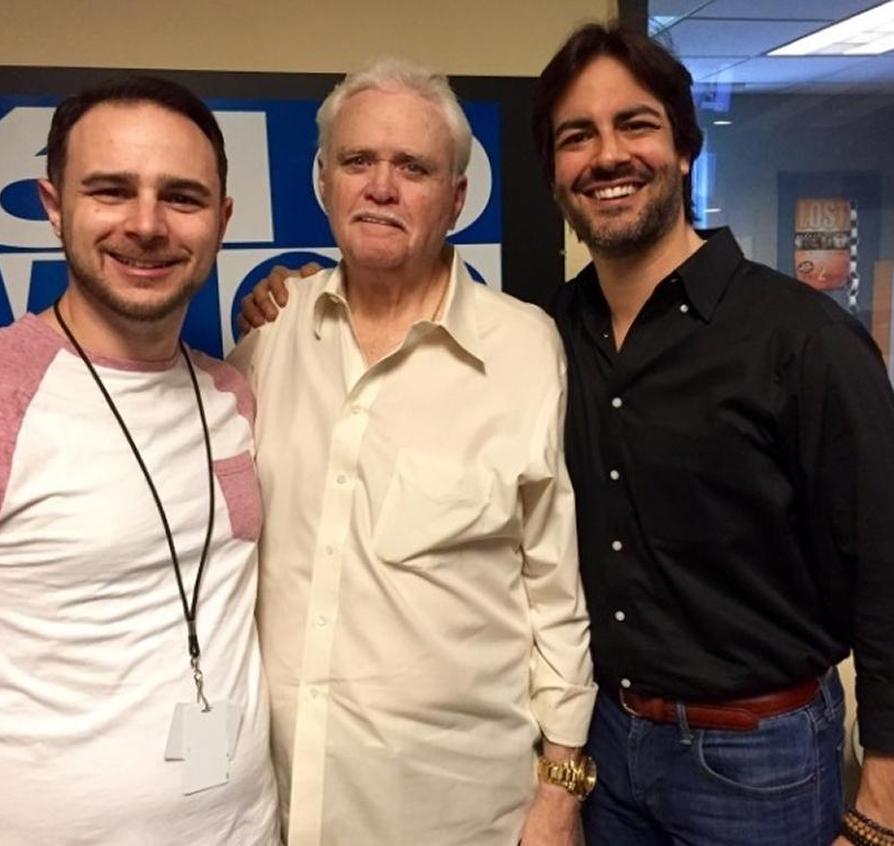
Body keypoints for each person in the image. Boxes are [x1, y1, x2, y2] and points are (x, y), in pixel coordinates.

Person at [241, 24, 894, 846]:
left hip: (758, 760)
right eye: (576, 137)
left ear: (685, 150)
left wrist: (882, 820)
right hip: (607, 756)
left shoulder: (799, 338)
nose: (607, 155)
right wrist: (280, 293)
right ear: (553, 173)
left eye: (636, 125)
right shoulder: (547, 337)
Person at [0, 76, 279, 845]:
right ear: (52, 204)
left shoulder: (237, 394)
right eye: (111, 190)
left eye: (182, 197)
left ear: (223, 220)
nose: (146, 224)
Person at [227, 58, 596, 846]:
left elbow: (555, 589)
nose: (381, 187)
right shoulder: (268, 339)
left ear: (457, 198)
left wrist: (561, 790)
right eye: (358, 161)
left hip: (461, 814)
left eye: (413, 167)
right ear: (324, 181)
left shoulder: (525, 349)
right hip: (280, 809)